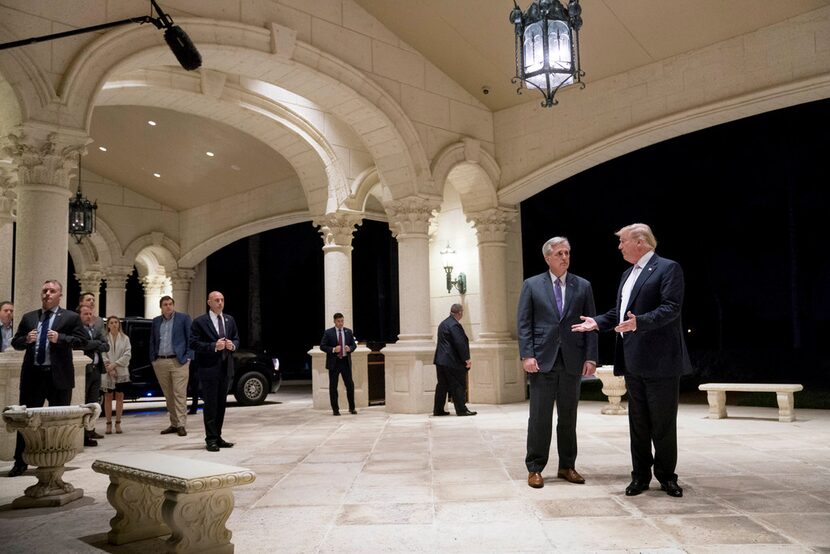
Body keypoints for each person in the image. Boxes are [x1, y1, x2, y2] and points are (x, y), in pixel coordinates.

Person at [572, 223, 691, 498]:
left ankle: (666, 476)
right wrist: (597, 323)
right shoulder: (628, 274)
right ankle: (639, 476)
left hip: (661, 361)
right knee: (638, 423)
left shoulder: (668, 268)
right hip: (633, 360)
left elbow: (671, 308)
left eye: (622, 241)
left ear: (640, 241)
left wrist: (640, 323)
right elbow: (620, 313)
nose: (619, 246)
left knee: (662, 423)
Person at [518, 237, 598, 489]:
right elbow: (524, 324)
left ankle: (567, 466)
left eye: (567, 253)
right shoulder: (532, 285)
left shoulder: (582, 286)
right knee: (539, 417)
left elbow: (591, 324)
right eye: (560, 253)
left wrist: (591, 356)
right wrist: (527, 355)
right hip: (542, 360)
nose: (565, 257)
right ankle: (535, 468)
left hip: (572, 361)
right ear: (547, 258)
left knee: (568, 417)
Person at [8, 280, 87, 477]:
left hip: (58, 378)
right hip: (33, 377)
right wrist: (26, 339)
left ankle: (57, 460)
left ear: (60, 295)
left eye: (52, 291)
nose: (47, 294)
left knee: (58, 421)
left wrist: (60, 338)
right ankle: (20, 461)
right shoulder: (29, 318)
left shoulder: (70, 317)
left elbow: (83, 341)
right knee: (26, 420)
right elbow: (16, 342)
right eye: (44, 290)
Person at [190, 291, 239, 452]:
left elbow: (236, 338)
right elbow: (193, 344)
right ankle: (210, 439)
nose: (220, 303)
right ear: (209, 302)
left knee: (221, 405)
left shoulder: (229, 320)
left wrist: (233, 345)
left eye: (222, 300)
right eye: (216, 300)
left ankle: (218, 436)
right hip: (208, 368)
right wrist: (212, 346)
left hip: (225, 368)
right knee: (210, 405)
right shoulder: (200, 322)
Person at [150, 295, 192, 437]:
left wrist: (189, 357)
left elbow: (191, 338)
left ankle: (181, 424)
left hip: (179, 361)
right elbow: (152, 340)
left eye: (170, 304)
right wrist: (153, 359)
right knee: (168, 395)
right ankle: (174, 424)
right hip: (161, 361)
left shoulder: (183, 318)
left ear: (173, 305)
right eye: (165, 304)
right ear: (161, 307)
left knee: (179, 393)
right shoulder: (156, 321)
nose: (168, 306)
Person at [433, 303, 475, 417]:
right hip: (451, 361)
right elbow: (460, 343)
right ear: (460, 313)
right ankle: (461, 410)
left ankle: (438, 410)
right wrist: (466, 359)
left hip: (440, 361)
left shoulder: (443, 323)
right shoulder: (454, 325)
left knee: (442, 385)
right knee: (458, 385)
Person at [78, 304, 109, 445]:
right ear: (79, 315)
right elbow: (81, 345)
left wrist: (93, 344)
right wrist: (96, 344)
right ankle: (81, 435)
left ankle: (90, 431)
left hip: (96, 370)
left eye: (91, 314)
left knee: (93, 403)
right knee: (83, 403)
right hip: (85, 371)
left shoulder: (95, 329)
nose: (89, 316)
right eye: (86, 314)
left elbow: (106, 345)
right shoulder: (77, 330)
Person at [320, 312, 358, 416]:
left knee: (350, 385)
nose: (341, 323)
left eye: (342, 321)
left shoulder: (348, 332)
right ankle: (335, 410)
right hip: (334, 363)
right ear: (334, 321)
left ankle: (352, 408)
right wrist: (333, 349)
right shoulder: (328, 333)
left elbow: (354, 345)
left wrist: (350, 348)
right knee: (333, 387)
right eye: (338, 321)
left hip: (345, 362)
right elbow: (322, 346)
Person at [102, 316, 131, 434]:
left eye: (116, 322)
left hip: (121, 371)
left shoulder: (125, 338)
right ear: (108, 325)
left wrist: (115, 365)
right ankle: (108, 424)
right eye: (111, 322)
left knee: (120, 397)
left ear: (119, 324)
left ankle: (118, 423)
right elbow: (102, 353)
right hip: (108, 371)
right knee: (108, 398)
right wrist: (109, 367)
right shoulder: (104, 339)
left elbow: (127, 354)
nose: (114, 324)